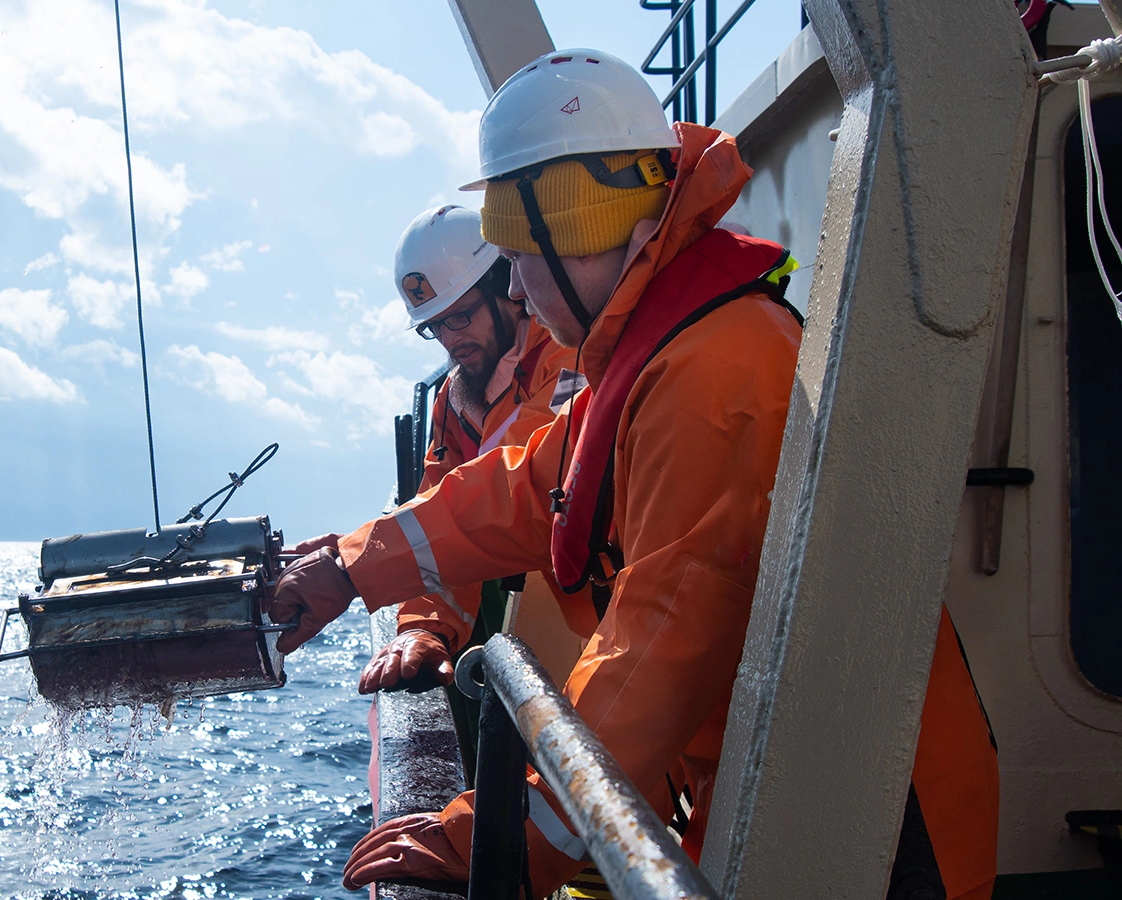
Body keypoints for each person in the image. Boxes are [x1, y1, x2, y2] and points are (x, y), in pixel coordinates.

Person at [269, 48, 999, 900]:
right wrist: (351, 566)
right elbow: (526, 482)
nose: (513, 286)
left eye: (516, 253)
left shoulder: (712, 372)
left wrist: (506, 835)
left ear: (564, 228)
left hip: (870, 826)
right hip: (789, 782)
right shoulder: (664, 346)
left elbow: (659, 642)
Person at [350, 206, 587, 782]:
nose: (452, 341)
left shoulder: (568, 358)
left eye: (461, 318)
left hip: (587, 623)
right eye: (436, 328)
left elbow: (512, 488)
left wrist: (349, 566)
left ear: (507, 288)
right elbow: (439, 510)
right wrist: (424, 628)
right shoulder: (455, 402)